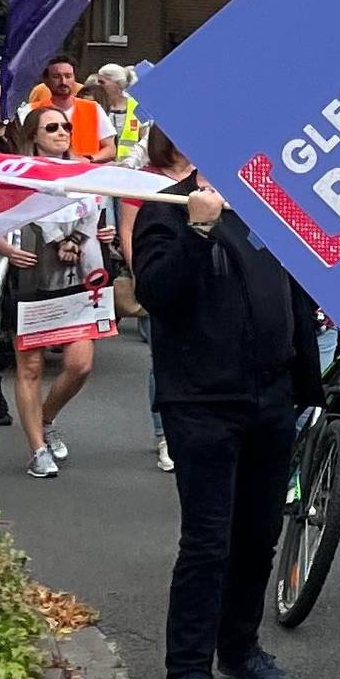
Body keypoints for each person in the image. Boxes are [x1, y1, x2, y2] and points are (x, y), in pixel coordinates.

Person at [133, 167, 322, 679]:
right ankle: (188, 671)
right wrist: (196, 232)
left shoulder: (268, 202)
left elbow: (293, 289)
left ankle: (239, 647)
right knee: (207, 542)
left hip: (271, 395)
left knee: (259, 533)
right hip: (201, 402)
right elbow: (156, 294)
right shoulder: (165, 208)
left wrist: (305, 383)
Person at [4, 105, 104, 475]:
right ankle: (36, 450)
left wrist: (75, 238)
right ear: (33, 136)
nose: (62, 132)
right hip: (30, 272)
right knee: (30, 366)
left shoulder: (82, 169)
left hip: (75, 275)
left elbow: (95, 207)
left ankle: (44, 419)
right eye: (52, 127)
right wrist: (3, 247)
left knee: (80, 364)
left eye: (65, 126)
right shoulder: (16, 175)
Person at [121, 126, 197, 472]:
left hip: (201, 281)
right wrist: (143, 274)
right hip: (161, 275)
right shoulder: (144, 181)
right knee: (162, 356)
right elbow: (129, 232)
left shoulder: (206, 177)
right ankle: (164, 434)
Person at [20, 56, 111, 160]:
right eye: (56, 76)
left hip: (85, 172)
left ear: (74, 78)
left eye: (68, 76)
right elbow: (23, 145)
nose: (63, 82)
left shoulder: (93, 108)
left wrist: (89, 160)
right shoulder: (30, 110)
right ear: (46, 80)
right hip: (43, 170)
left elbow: (110, 148)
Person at [89, 64, 144, 164]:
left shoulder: (137, 107)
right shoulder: (94, 105)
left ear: (118, 84)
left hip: (129, 167)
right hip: (98, 164)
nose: (97, 85)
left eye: (102, 82)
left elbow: (145, 140)